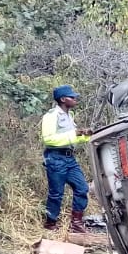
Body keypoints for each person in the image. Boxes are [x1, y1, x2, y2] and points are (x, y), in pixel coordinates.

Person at [41, 84, 91, 233]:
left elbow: (72, 139)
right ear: (63, 99)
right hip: (55, 158)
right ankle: (50, 223)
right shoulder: (51, 116)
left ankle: (76, 223)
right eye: (72, 97)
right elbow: (48, 140)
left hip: (70, 159)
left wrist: (86, 136)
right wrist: (74, 134)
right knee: (56, 193)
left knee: (82, 188)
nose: (75, 99)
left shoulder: (69, 116)